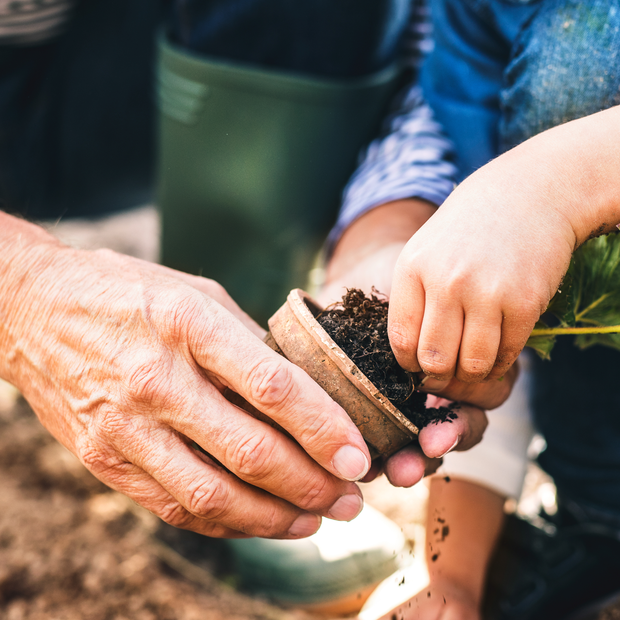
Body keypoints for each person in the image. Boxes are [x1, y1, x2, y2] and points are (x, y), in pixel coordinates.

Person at [0, 0, 491, 549]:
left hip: (141, 80)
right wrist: (21, 291)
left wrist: (387, 229)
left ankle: (221, 436)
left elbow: (448, 58)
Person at [321, 0, 620, 618]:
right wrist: (449, 574)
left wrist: (565, 181)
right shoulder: (477, 29)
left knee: (586, 59)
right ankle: (601, 516)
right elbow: (498, 324)